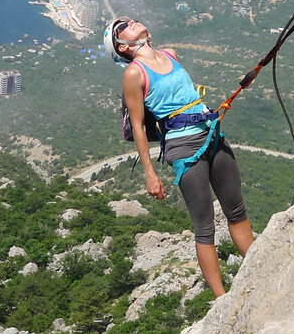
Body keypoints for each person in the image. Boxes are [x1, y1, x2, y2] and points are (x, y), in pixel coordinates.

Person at [103, 16, 253, 296]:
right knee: (205, 226)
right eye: (122, 27)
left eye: (130, 20)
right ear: (121, 46)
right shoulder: (134, 74)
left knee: (237, 211)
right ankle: (221, 299)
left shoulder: (168, 55)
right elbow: (137, 127)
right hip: (182, 146)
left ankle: (261, 269)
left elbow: (166, 55)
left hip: (210, 132)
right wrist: (151, 174)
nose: (130, 22)